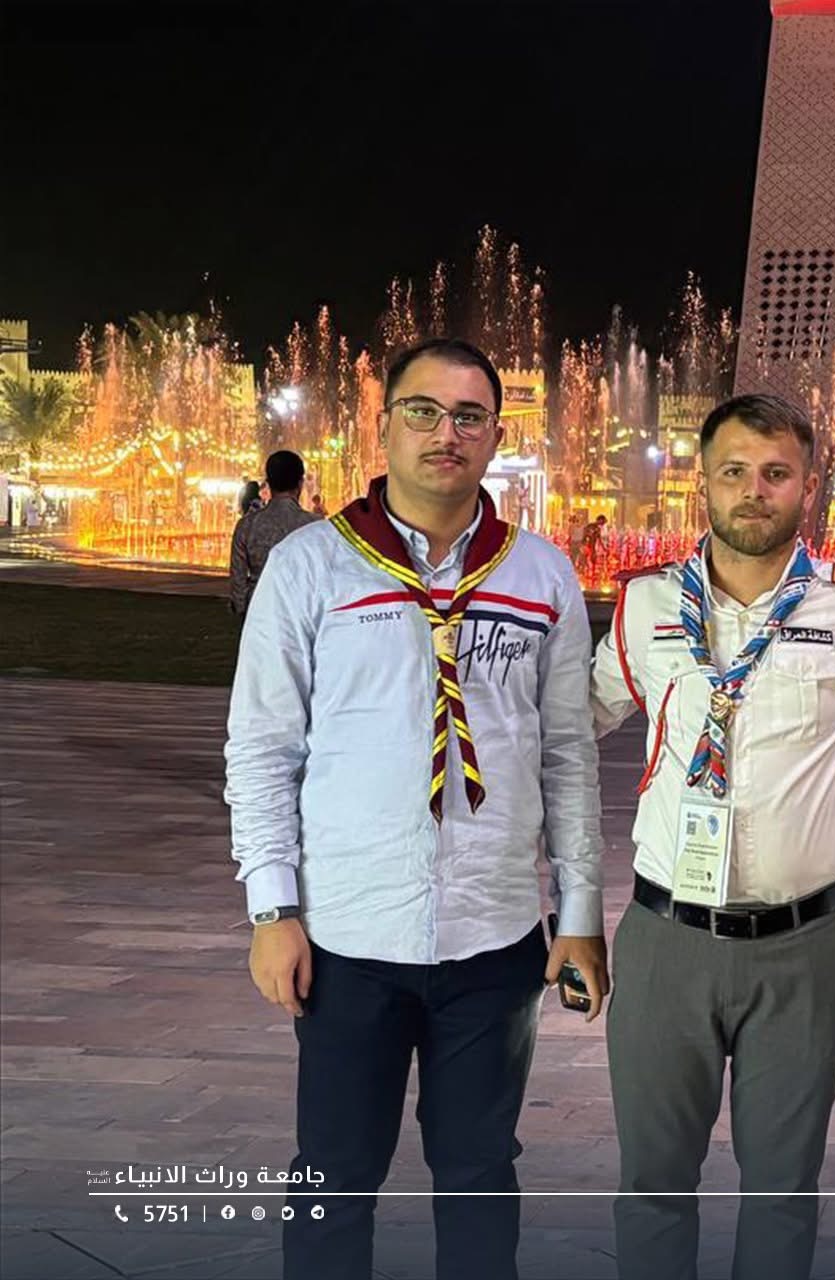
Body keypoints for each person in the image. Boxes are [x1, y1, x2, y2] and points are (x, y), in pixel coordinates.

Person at [226, 337, 606, 1280]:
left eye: (469, 416)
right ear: (385, 425)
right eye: (424, 412)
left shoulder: (540, 575)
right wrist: (272, 910)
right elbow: (263, 748)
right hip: (349, 936)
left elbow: (567, 756)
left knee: (480, 1176)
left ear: (496, 435)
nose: (447, 433)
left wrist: (581, 915)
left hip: (494, 938)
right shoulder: (314, 566)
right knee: (333, 1176)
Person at [591, 392, 835, 1280]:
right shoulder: (646, 604)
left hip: (804, 945)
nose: (754, 490)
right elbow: (572, 725)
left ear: (809, 485)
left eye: (776, 473)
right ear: (702, 480)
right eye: (734, 471)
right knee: (653, 1184)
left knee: (781, 1189)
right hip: (667, 939)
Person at [228, 450, 320, 617]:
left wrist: (242, 608)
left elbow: (238, 577)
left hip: (259, 609)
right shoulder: (315, 526)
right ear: (300, 483)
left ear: (268, 483)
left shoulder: (247, 525)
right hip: (302, 610)